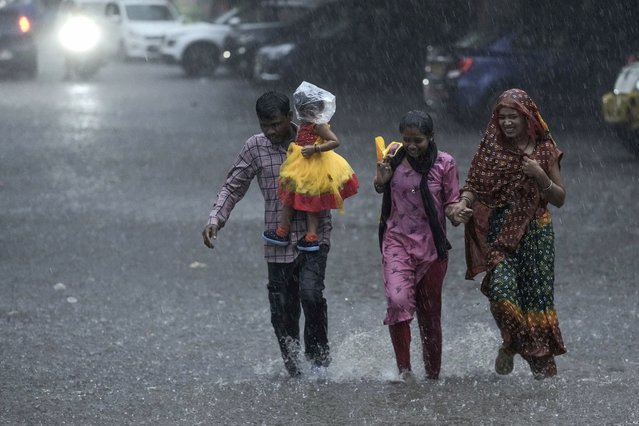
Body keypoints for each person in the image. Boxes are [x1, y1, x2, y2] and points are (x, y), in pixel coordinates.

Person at [202, 91, 332, 377]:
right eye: (265, 125)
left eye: (276, 124)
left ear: (290, 117)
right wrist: (216, 219)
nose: (271, 131)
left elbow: (334, 175)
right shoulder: (255, 148)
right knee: (282, 309)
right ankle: (294, 368)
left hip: (313, 235)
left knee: (311, 295)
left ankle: (319, 362)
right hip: (278, 240)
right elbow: (233, 186)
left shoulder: (314, 139)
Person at [448, 88, 567, 380]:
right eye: (502, 118)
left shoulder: (545, 150)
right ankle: (511, 342)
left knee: (536, 302)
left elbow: (560, 198)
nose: (507, 123)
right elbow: (474, 185)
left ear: (527, 118)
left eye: (513, 117)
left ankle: (543, 374)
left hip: (537, 235)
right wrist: (461, 205)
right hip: (501, 233)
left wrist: (540, 175)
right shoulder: (492, 147)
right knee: (501, 293)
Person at [374, 110, 461, 381]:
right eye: (407, 139)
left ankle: (433, 375)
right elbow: (379, 187)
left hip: (432, 249)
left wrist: (458, 212)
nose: (412, 146)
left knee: (429, 314)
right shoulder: (393, 157)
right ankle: (405, 372)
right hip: (396, 242)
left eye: (418, 140)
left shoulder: (445, 164)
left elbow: (452, 203)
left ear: (431, 137)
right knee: (398, 303)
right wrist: (382, 178)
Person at [263, 81, 359, 252]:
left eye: (309, 109)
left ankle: (311, 236)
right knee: (288, 199)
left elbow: (335, 141)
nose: (305, 113)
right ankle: (282, 230)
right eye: (303, 109)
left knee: (312, 204)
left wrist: (316, 148)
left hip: (313, 168)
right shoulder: (305, 125)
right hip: (298, 166)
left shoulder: (318, 126)